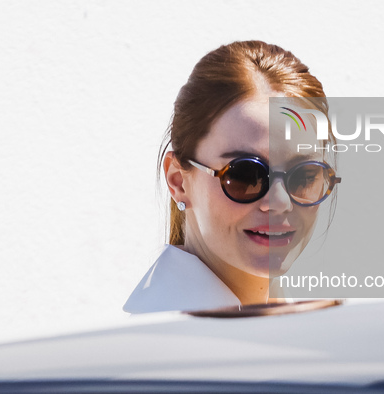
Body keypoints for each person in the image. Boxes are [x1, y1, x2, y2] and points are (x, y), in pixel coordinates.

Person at [124, 40, 340, 314]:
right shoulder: (159, 347)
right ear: (178, 182)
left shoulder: (314, 327)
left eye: (305, 176)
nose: (280, 202)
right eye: (246, 174)